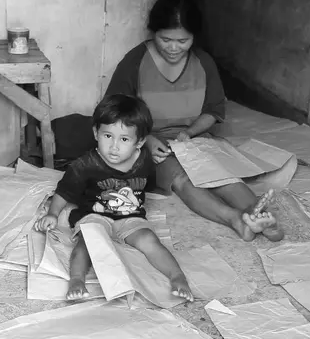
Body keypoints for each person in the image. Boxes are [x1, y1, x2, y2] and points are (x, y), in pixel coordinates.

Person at [104, 0, 284, 242]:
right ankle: (233, 219)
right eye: (165, 39)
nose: (173, 48)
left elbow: (214, 110)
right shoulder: (135, 61)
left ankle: (259, 214)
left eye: (183, 40)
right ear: (152, 32)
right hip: (149, 141)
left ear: (194, 37)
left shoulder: (203, 62)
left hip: (192, 137)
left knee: (219, 174)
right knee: (183, 179)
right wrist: (145, 139)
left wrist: (190, 133)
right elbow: (114, 110)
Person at [34, 94, 193, 302]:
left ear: (140, 142)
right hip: (94, 215)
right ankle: (76, 279)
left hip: (131, 217)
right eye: (108, 136)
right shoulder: (85, 164)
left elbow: (150, 184)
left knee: (150, 240)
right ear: (96, 133)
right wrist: (53, 213)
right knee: (86, 243)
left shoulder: (145, 161)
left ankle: (177, 276)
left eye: (124, 139)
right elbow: (64, 190)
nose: (114, 146)